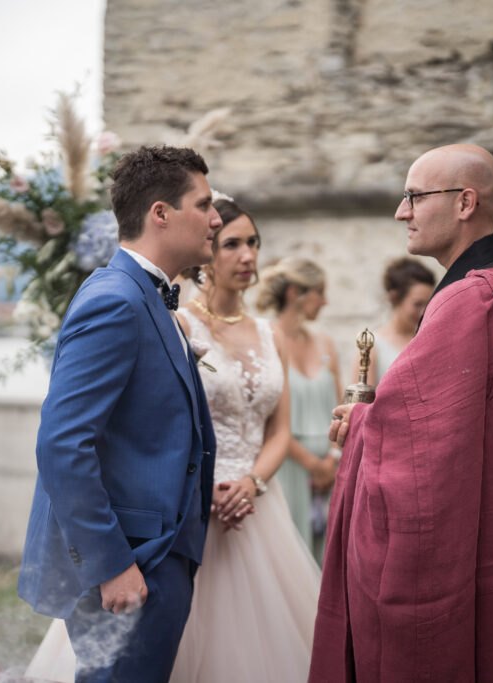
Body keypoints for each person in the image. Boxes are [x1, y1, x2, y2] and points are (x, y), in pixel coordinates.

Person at [311, 144, 493, 681]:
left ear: (465, 203)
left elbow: (417, 435)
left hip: (453, 548)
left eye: (415, 196)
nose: (402, 211)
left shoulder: (469, 300)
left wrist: (361, 420)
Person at [17, 145, 221, 683]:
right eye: (203, 205)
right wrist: (112, 565)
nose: (216, 219)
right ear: (160, 213)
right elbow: (63, 444)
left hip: (159, 554)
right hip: (132, 564)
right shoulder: (116, 300)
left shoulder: (150, 298)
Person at [170, 196, 321, 681]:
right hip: (197, 504)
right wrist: (208, 484)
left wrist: (253, 483)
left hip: (257, 504)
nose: (248, 256)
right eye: (232, 244)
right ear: (204, 250)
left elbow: (279, 432)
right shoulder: (179, 325)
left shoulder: (271, 333)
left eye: (253, 243)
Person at [257, 257, 341, 564]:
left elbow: (340, 408)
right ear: (295, 293)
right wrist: (310, 463)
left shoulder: (326, 343)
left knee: (329, 559)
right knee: (290, 559)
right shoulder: (265, 339)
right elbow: (267, 415)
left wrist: (331, 460)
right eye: (319, 291)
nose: (325, 300)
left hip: (330, 470)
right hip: (287, 467)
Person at [358, 257, 435, 386]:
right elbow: (362, 403)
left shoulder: (430, 341)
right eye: (417, 304)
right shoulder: (373, 347)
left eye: (428, 304)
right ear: (395, 298)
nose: (423, 312)